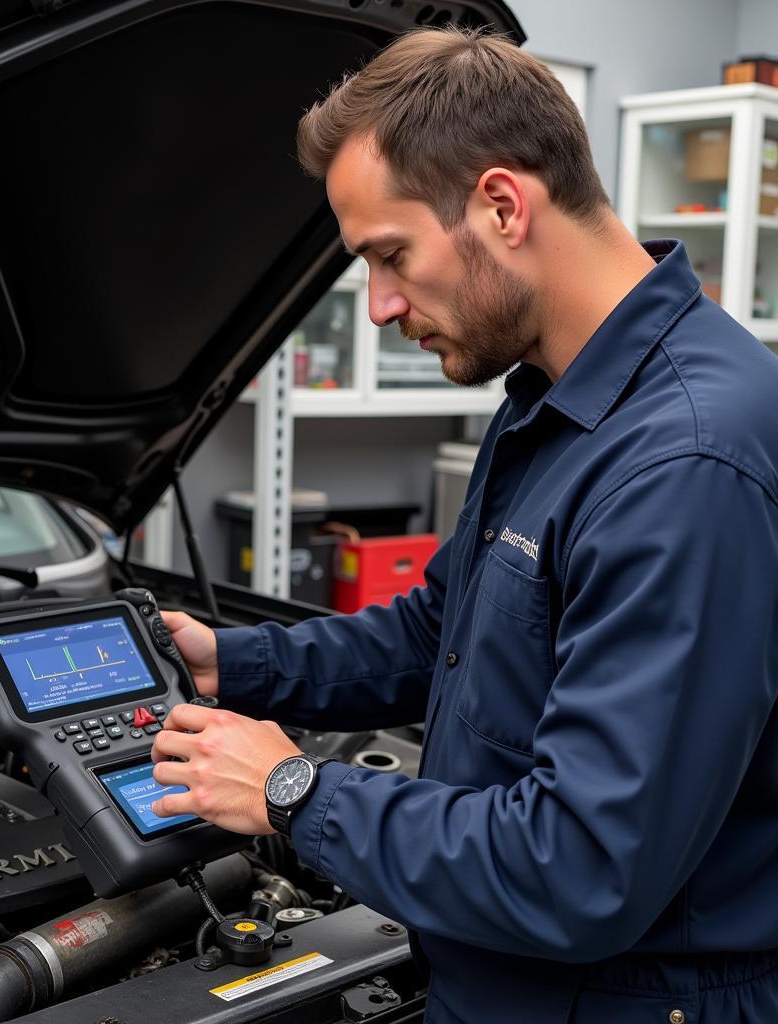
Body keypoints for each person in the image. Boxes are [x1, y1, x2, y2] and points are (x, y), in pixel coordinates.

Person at [149, 27, 778, 1023]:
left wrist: (295, 790)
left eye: (389, 255)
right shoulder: (552, 400)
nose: (383, 304)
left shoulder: (684, 463)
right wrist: (234, 661)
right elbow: (436, 635)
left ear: (501, 204)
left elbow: (580, 870)